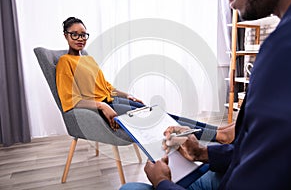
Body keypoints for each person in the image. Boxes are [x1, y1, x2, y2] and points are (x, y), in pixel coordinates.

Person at [120, 0, 291, 189]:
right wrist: (202, 153)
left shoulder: (286, 50)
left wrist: (163, 182)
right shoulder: (286, 39)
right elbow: (260, 152)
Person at [56, 17, 235, 141]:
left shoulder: (87, 59)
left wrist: (127, 95)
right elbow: (70, 100)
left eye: (83, 34)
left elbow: (105, 87)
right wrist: (102, 105)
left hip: (114, 101)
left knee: (162, 115)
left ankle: (215, 130)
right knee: (160, 121)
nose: (80, 39)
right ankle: (216, 135)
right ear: (66, 35)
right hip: (104, 109)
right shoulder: (65, 62)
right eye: (75, 34)